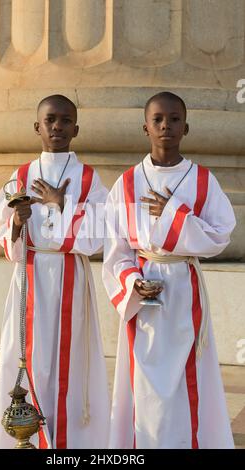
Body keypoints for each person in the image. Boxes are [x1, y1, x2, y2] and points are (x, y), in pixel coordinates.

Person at [102, 91, 236, 449]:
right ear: (145, 127)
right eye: (158, 119)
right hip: (144, 293)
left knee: (187, 379)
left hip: (184, 288)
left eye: (174, 119)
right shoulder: (127, 183)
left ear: (186, 127)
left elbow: (220, 235)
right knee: (147, 386)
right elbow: (116, 248)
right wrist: (132, 281)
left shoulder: (203, 180)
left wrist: (174, 213)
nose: (166, 126)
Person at [0, 94, 110, 449]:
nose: (57, 126)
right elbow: (1, 225)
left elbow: (99, 234)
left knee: (69, 365)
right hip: (31, 278)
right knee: (28, 359)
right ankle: (25, 438)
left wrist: (62, 205)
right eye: (50, 120)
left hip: (71, 278)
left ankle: (71, 445)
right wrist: (16, 222)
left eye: (64, 120)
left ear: (76, 128)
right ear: (37, 127)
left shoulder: (88, 179)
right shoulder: (22, 175)